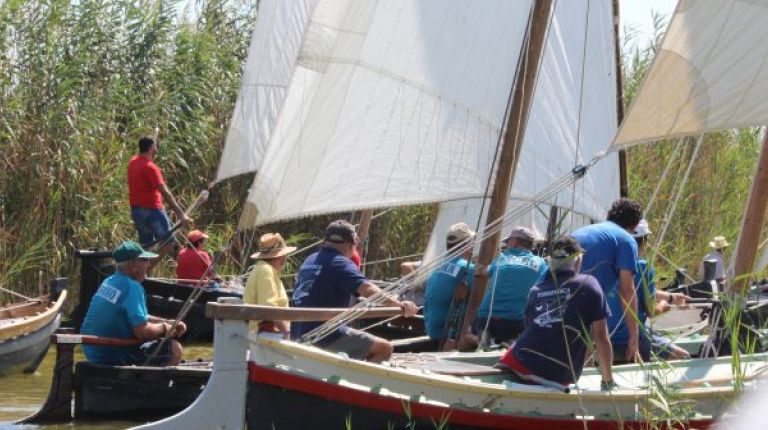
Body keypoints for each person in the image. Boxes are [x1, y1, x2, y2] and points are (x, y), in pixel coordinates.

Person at [292, 220, 418, 363]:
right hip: (323, 336)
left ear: (326, 241)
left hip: (298, 332)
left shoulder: (309, 260)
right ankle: (351, 382)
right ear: (350, 244)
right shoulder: (341, 263)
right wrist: (398, 304)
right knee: (384, 348)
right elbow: (367, 289)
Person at [498, 236, 614, 389]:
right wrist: (608, 381)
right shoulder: (589, 283)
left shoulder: (536, 290)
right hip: (556, 375)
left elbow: (533, 329)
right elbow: (601, 337)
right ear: (577, 261)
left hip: (518, 362)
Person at [81, 241, 187, 366]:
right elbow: (142, 331)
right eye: (145, 260)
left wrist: (168, 322)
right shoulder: (132, 287)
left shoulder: (109, 281)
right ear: (133, 264)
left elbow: (136, 317)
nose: (148, 264)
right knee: (174, 349)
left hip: (94, 353)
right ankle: (147, 384)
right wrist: (164, 328)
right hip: (113, 356)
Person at [607, 219, 691, 362]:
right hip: (632, 337)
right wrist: (666, 305)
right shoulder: (642, 267)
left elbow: (634, 288)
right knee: (683, 356)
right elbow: (652, 311)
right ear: (645, 241)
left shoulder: (608, 264)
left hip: (606, 335)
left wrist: (670, 296)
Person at [572, 198, 642, 362]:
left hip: (548, 293)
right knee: (584, 359)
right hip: (580, 303)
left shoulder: (585, 230)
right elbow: (627, 290)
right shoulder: (626, 240)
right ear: (635, 226)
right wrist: (634, 337)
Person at [474, 227, 548, 345]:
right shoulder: (540, 263)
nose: (507, 245)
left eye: (508, 241)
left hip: (487, 318)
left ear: (514, 242)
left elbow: (483, 272)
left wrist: (478, 268)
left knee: (475, 339)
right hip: (516, 321)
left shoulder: (501, 258)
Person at [128, 136, 192, 256]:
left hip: (136, 210)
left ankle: (141, 273)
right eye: (155, 146)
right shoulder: (150, 167)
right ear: (152, 147)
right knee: (168, 244)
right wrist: (181, 214)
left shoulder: (132, 163)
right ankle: (147, 269)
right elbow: (164, 192)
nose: (157, 148)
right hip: (152, 210)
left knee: (146, 247)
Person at [423, 222, 476, 351]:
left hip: (431, 330)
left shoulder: (437, 266)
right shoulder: (466, 268)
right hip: (448, 336)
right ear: (468, 245)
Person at [244, 233, 297, 338]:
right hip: (266, 336)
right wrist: (287, 333)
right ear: (281, 257)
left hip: (266, 335)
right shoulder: (266, 270)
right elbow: (269, 308)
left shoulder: (266, 269)